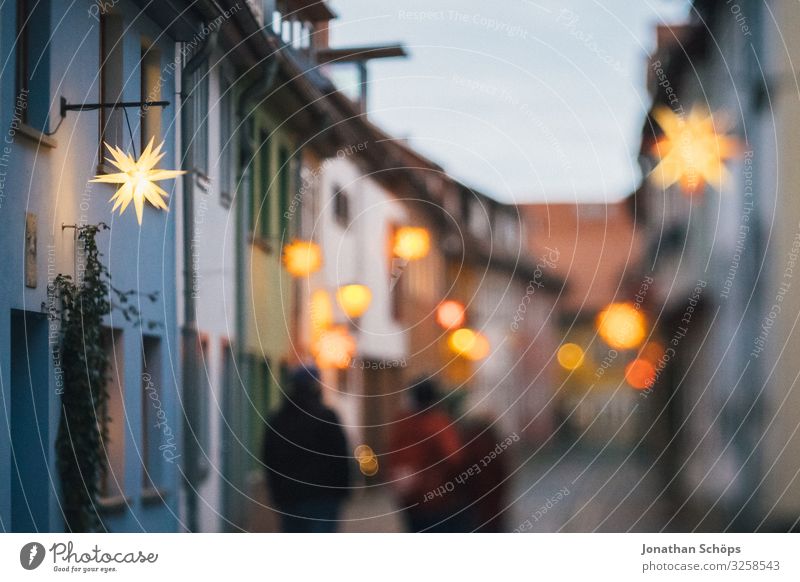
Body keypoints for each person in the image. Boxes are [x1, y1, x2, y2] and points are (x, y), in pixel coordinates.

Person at [262, 366, 351, 532]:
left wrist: (277, 494)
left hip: (289, 499)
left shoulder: (278, 419)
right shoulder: (326, 417)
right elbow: (341, 456)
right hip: (324, 499)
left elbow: (269, 458)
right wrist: (344, 490)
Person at [386, 377, 465, 532]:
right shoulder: (437, 423)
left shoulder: (402, 422)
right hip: (436, 498)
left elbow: (392, 456)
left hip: (409, 498)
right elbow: (455, 457)